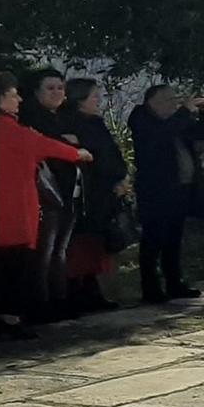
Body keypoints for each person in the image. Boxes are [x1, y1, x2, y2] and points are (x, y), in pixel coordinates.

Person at [0, 71, 92, 339]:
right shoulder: (14, 131)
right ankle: (11, 319)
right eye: (13, 95)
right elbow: (50, 147)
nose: (18, 100)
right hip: (15, 213)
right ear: (1, 99)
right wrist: (78, 153)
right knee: (16, 268)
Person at [127, 84, 204, 304]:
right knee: (153, 239)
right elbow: (160, 137)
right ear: (151, 102)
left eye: (174, 100)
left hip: (180, 189)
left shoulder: (177, 121)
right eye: (167, 100)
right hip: (156, 191)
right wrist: (184, 112)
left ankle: (175, 282)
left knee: (173, 239)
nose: (173, 104)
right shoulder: (142, 119)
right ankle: (151, 287)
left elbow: (203, 132)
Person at [20, 71, 85, 321]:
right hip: (48, 194)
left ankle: (60, 299)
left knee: (60, 251)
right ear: (36, 92)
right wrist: (67, 144)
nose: (57, 92)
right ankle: (42, 304)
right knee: (44, 254)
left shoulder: (64, 117)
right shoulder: (32, 119)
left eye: (60, 87)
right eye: (50, 88)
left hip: (69, 192)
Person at [63, 77, 131, 313]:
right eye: (94, 96)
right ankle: (81, 293)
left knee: (96, 245)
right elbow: (99, 158)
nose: (98, 101)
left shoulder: (93, 123)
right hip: (92, 193)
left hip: (104, 191)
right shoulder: (82, 125)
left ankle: (92, 291)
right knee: (87, 244)